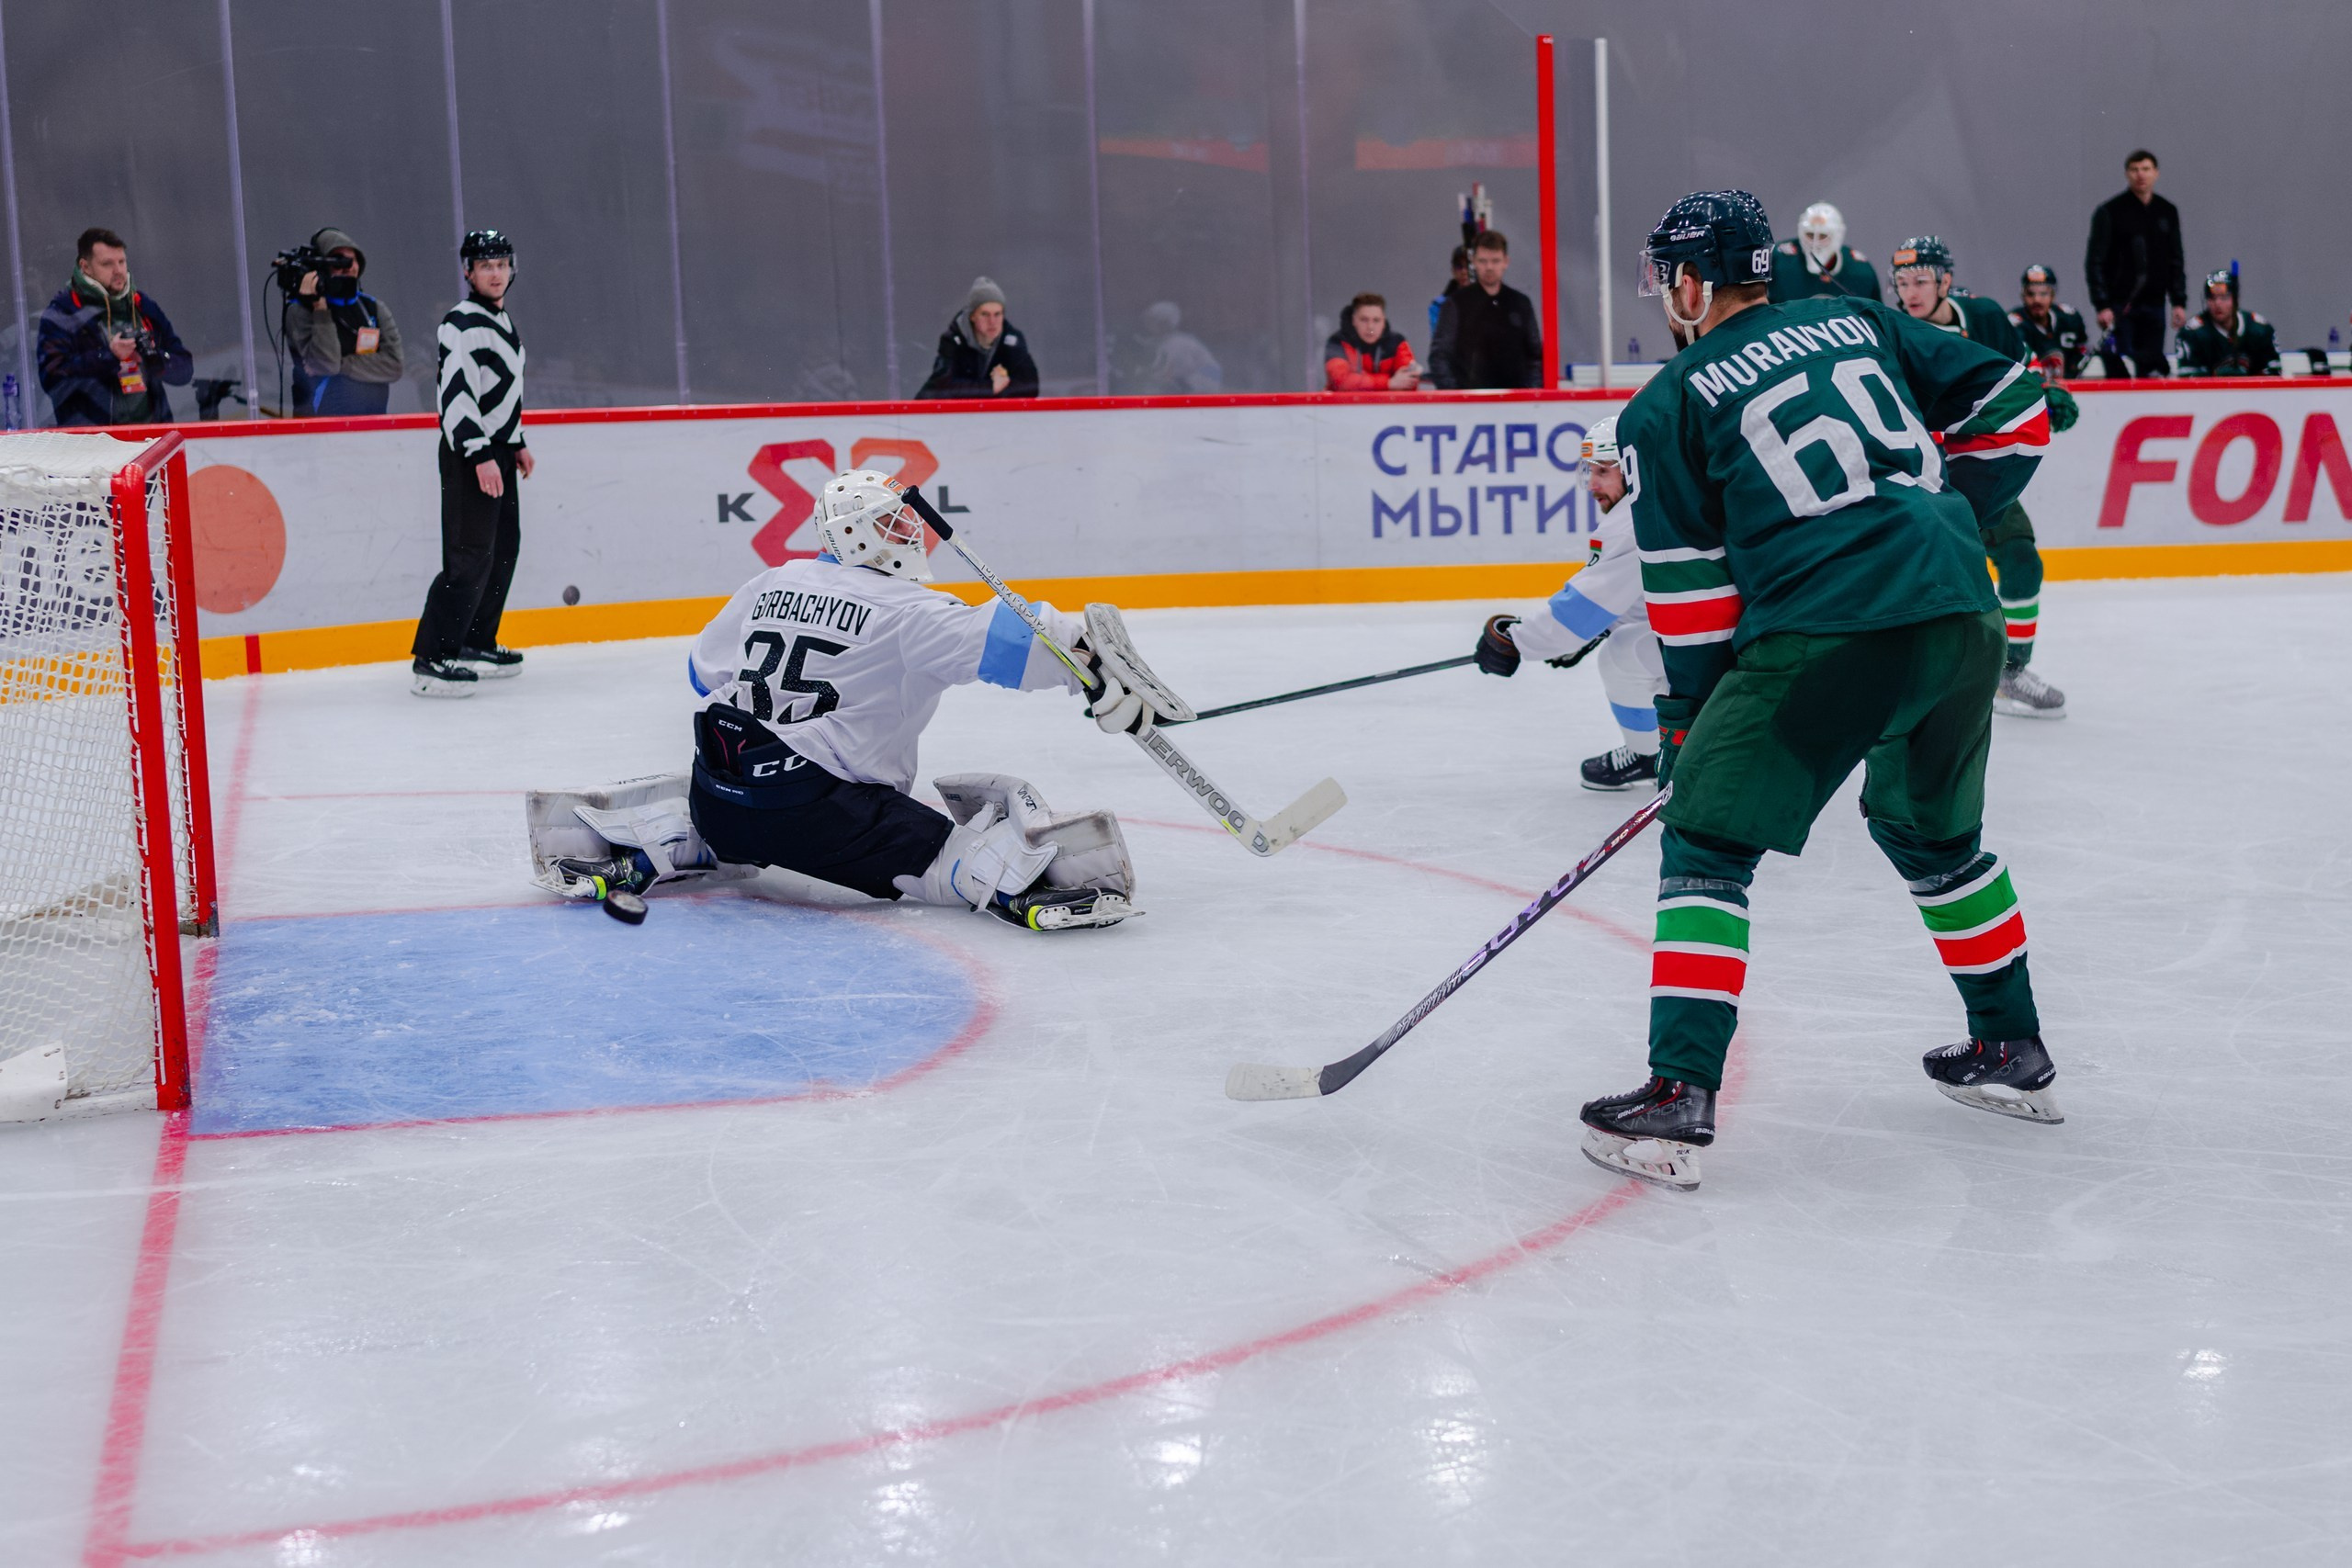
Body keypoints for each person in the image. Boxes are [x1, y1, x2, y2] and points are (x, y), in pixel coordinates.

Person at [1576, 190, 2064, 1192]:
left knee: (1707, 841)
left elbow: (1692, 599)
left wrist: (1688, 738)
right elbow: (2019, 411)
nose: (1665, 291)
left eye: (1669, 273)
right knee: (1934, 837)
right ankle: (2012, 1048)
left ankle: (1678, 1096)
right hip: (1958, 613)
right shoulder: (1856, 319)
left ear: (1696, 280)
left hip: (1830, 628)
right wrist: (1938, 524)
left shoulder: (1664, 403)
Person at [533, 468, 1173, 932]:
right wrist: (1092, 664)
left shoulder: (773, 580)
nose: (909, 532)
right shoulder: (907, 608)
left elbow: (703, 673)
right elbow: (1011, 639)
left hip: (720, 790)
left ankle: (667, 839)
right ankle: (1015, 877)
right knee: (949, 849)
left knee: (738, 799)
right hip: (823, 815)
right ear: (854, 535)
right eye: (891, 521)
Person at [1889, 236, 2075, 718]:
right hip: (1920, 476)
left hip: (1979, 462)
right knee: (1928, 573)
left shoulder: (1987, 318)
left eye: (1921, 280)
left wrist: (2047, 391)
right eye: (1902, 282)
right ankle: (1912, 672)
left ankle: (2010, 671)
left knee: (2020, 559)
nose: (1910, 292)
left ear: (1945, 280)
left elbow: (2025, 369)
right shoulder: (1889, 333)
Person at [1468, 416, 1664, 790]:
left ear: (1631, 469)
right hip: (1738, 628)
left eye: (1603, 471)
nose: (1592, 483)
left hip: (1726, 643)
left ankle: (1650, 754)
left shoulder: (1631, 522)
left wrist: (1518, 641)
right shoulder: (1663, 497)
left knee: (1624, 656)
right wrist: (1593, 632)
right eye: (1589, 470)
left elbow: (1582, 608)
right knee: (1638, 644)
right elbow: (1639, 596)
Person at [412, 230, 532, 696]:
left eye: (502, 264)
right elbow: (457, 396)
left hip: (498, 450)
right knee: (469, 555)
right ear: (468, 272)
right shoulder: (460, 323)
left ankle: (475, 640)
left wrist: (515, 442)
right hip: (470, 453)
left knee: (503, 550)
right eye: (486, 266)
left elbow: (499, 390)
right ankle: (433, 656)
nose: (495, 273)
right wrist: (480, 453)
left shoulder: (500, 320)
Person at [36, 227, 192, 427]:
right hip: (94, 448)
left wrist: (153, 358)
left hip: (152, 441)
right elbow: (53, 381)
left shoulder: (141, 305)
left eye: (122, 262)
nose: (118, 270)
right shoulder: (63, 313)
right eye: (107, 264)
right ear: (85, 267)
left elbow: (185, 370)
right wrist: (108, 356)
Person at [2085, 150, 2186, 377]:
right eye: (2135, 169)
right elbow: (2095, 261)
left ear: (2156, 173)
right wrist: (2102, 304)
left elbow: (2175, 259)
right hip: (2122, 305)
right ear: (2127, 174)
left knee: (2152, 366)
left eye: (2146, 169)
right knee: (2122, 365)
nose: (2141, 175)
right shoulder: (2111, 211)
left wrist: (2178, 301)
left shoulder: (2166, 211)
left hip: (2156, 304)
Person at [285, 226, 404, 416]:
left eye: (352, 260)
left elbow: (394, 366)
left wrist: (343, 366)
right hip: (320, 428)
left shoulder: (373, 308)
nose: (348, 267)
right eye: (338, 260)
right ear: (321, 266)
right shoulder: (300, 310)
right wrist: (320, 310)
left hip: (373, 424)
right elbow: (326, 364)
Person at [1428, 231, 1544, 389]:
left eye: (1495, 261)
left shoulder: (1520, 304)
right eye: (1483, 261)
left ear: (1506, 262)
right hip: (1469, 406)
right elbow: (1439, 356)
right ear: (1474, 262)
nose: (1489, 267)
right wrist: (1456, 397)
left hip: (1516, 405)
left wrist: (1531, 394)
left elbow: (1535, 356)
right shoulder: (1456, 304)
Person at [916, 277, 1039, 399]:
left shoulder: (1012, 341)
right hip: (927, 416)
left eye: (997, 314)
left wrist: (1000, 389)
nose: (992, 322)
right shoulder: (953, 340)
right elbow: (944, 387)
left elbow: (1031, 386)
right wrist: (991, 388)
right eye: (985, 314)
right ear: (972, 316)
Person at [1768, 202, 1881, 305]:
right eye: (1810, 235)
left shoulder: (1861, 271)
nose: (1815, 243)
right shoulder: (1778, 260)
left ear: (1838, 236)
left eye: (1822, 236)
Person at [2176, 269, 2279, 378]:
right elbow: (2189, 381)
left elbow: (2273, 375)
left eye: (2224, 297)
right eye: (2212, 298)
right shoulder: (2192, 333)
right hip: (2209, 394)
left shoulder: (2259, 329)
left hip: (2252, 394)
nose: (2217, 304)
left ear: (2236, 299)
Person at [1323, 293, 1424, 391]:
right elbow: (1341, 382)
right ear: (1354, 320)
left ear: (1384, 321)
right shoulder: (1338, 342)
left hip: (1387, 407)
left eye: (1376, 320)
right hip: (1345, 407)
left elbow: (1408, 383)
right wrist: (1389, 383)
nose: (1370, 328)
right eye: (1364, 320)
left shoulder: (1397, 342)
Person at [2009, 265, 2092, 379]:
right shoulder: (2015, 324)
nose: (2036, 300)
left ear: (2052, 295)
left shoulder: (2069, 318)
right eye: (2030, 294)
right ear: (2023, 296)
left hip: (2069, 388)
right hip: (2033, 391)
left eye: (2043, 293)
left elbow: (2082, 352)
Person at [1126, 301, 1222, 395]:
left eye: (1151, 320)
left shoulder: (1182, 344)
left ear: (1164, 323)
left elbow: (1211, 371)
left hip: (1192, 396)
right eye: (1147, 320)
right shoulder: (1154, 342)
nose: (1146, 324)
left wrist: (1186, 386)